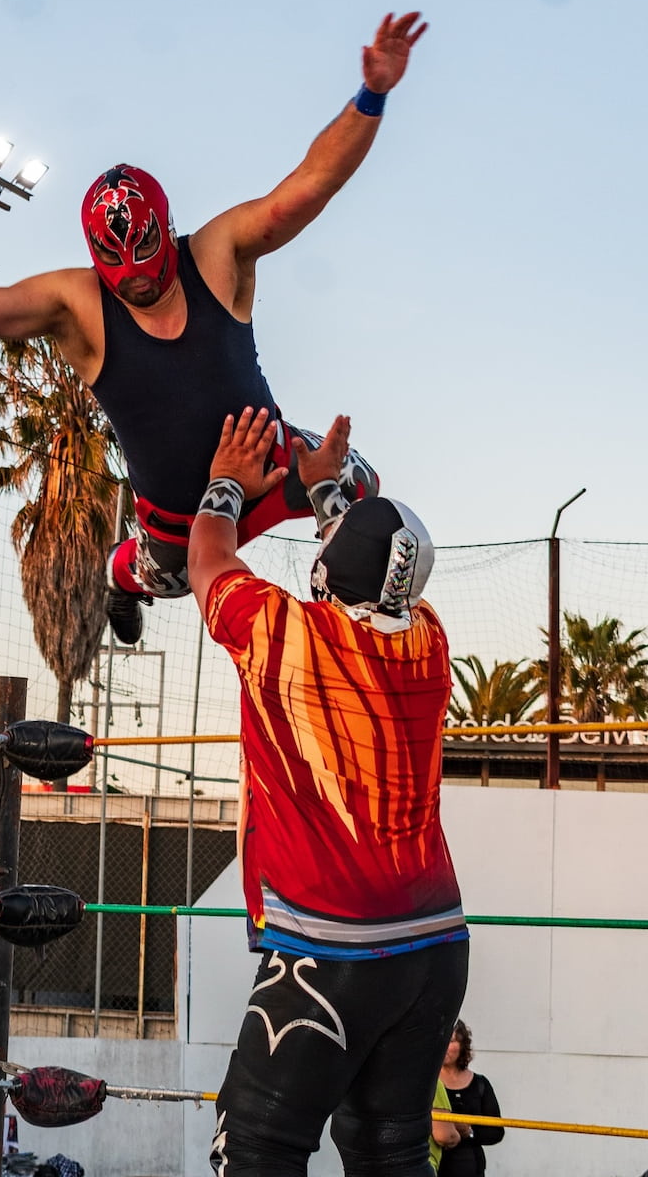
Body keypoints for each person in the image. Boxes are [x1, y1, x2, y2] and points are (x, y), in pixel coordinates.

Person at [0, 12, 427, 645]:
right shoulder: (74, 304)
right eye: (118, 268)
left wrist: (372, 93)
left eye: (149, 258)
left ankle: (353, 637)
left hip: (269, 457)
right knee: (168, 580)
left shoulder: (217, 255)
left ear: (168, 230)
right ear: (94, 256)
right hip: (178, 519)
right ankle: (120, 576)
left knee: (363, 487)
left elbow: (311, 184)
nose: (138, 281)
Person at [187, 406, 469, 1176]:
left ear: (329, 570)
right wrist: (323, 491)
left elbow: (205, 560)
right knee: (389, 1153)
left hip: (332, 946)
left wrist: (225, 484)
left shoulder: (284, 633)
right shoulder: (427, 640)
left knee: (252, 1152)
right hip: (435, 947)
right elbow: (360, 570)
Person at [438, 1018, 504, 1177]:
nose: (445, 1046)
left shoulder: (480, 1084)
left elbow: (496, 1131)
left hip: (471, 1165)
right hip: (436, 1165)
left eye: (451, 1041)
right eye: (442, 1040)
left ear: (463, 1045)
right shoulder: (428, 1084)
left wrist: (469, 1131)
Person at [431, 1079, 461, 1173]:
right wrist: (460, 1134)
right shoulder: (429, 1081)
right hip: (415, 1165)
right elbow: (444, 1136)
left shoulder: (389, 1079)